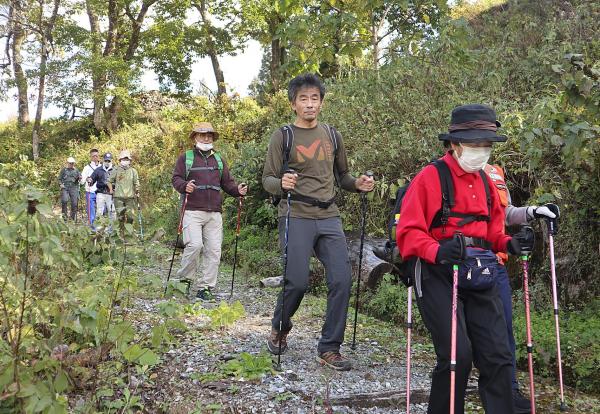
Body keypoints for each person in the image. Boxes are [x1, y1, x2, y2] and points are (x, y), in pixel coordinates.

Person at [396, 104, 533, 414]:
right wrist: (437, 250)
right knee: (457, 354)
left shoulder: (486, 181)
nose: (481, 151)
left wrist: (512, 243)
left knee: (498, 354)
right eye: (474, 144)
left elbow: (493, 232)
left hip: (478, 270)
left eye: (486, 144)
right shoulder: (431, 177)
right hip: (435, 272)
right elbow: (408, 232)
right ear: (454, 144)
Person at [262, 73, 374, 371]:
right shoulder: (283, 136)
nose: (310, 104)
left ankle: (329, 347)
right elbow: (267, 180)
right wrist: (282, 182)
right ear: (293, 104)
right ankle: (280, 326)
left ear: (321, 103)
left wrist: (357, 184)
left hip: (329, 216)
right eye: (303, 99)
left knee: (342, 279)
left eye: (315, 98)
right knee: (297, 281)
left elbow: (343, 177)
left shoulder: (332, 135)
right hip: (295, 214)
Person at [484, 163, 560, 413]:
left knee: (504, 329)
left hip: (496, 262)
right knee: (466, 339)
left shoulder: (496, 171)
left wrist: (534, 211)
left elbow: (505, 213)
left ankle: (509, 390)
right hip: (461, 264)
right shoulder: (449, 171)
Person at [171, 122, 248, 301]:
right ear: (195, 137)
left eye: (209, 135)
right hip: (192, 210)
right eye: (202, 134)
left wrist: (238, 190)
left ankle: (205, 288)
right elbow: (176, 179)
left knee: (214, 250)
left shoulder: (218, 159)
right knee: (194, 245)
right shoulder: (186, 158)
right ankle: (184, 280)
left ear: (213, 138)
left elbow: (227, 183)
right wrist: (184, 186)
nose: (206, 138)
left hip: (214, 212)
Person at [108, 150, 140, 234]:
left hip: (130, 197)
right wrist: (111, 189)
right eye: (123, 159)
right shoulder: (116, 170)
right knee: (120, 217)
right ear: (120, 160)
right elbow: (109, 181)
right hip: (118, 197)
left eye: (127, 159)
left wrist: (137, 191)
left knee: (130, 216)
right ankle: (121, 234)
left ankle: (128, 232)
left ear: (129, 160)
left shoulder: (133, 171)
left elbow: (136, 182)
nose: (125, 161)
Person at [89, 152, 116, 232]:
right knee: (99, 211)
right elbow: (91, 181)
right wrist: (89, 180)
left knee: (112, 211)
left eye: (109, 161)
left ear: (111, 161)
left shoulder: (115, 170)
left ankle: (112, 229)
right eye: (106, 160)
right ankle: (99, 229)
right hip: (100, 193)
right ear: (103, 160)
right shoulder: (98, 170)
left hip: (110, 194)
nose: (107, 162)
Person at [80, 148, 100, 227]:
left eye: (96, 156)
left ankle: (100, 227)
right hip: (90, 191)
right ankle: (92, 228)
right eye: (93, 156)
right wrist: (82, 178)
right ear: (90, 157)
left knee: (101, 210)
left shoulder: (102, 166)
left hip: (100, 192)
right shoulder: (86, 168)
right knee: (91, 211)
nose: (95, 157)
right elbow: (82, 181)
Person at [58, 157, 81, 221]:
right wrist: (61, 184)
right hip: (65, 187)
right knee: (64, 200)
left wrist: (79, 178)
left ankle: (72, 218)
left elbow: (80, 178)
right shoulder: (63, 170)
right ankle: (64, 217)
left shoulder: (76, 170)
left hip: (74, 188)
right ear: (67, 163)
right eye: (70, 163)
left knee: (74, 203)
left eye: (72, 163)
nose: (71, 164)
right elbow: (59, 179)